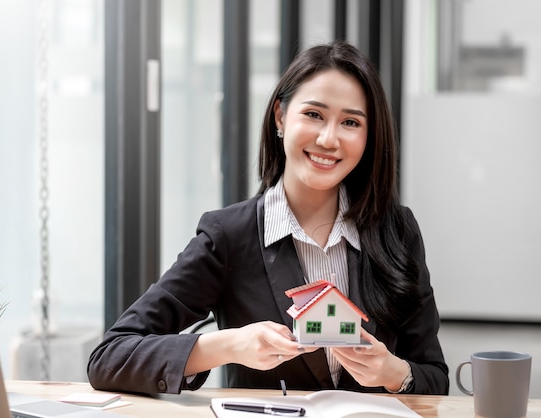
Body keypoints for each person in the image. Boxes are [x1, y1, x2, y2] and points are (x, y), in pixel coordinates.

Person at [87, 40, 449, 396]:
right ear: (280, 115)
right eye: (313, 114)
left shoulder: (397, 230)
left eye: (350, 122)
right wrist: (227, 345)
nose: (328, 138)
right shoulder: (229, 236)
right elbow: (110, 356)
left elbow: (435, 376)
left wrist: (394, 372)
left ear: (368, 136)